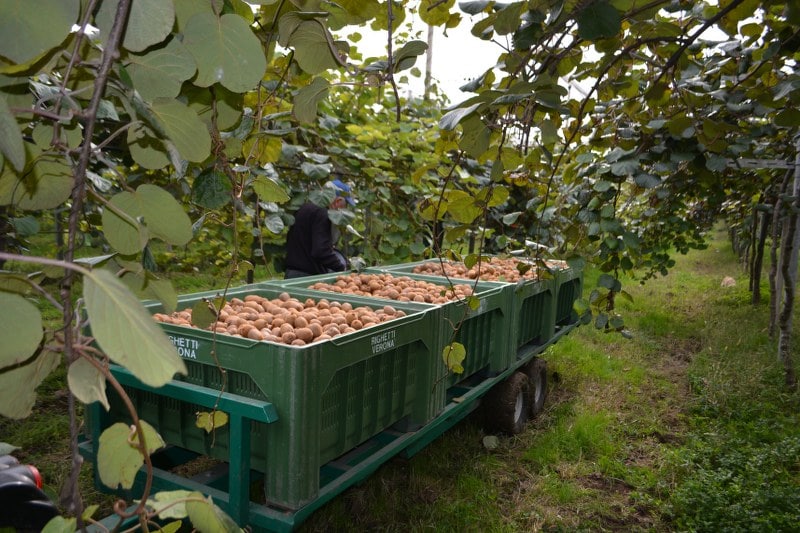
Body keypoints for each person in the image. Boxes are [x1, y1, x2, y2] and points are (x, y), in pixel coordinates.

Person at [284, 179, 355, 278]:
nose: (345, 209)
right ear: (338, 201)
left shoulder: (306, 207)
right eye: (345, 205)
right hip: (306, 276)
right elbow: (320, 251)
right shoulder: (323, 213)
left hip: (292, 272)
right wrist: (342, 268)